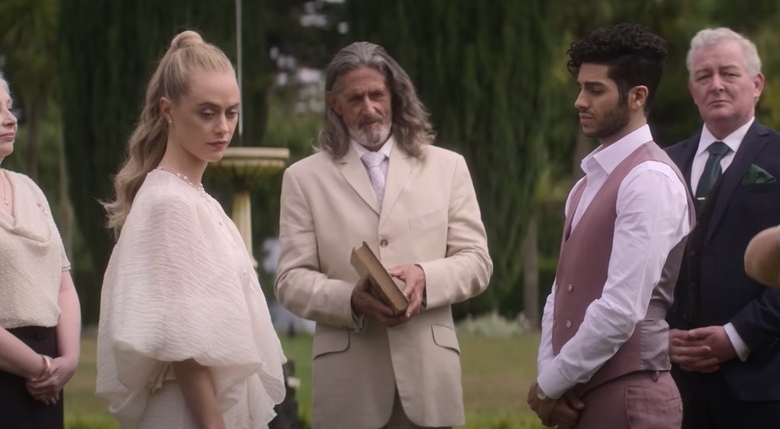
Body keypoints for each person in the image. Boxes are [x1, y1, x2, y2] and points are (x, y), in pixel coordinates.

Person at [275, 41, 492, 428]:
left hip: (430, 383)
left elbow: (477, 262)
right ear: (333, 103)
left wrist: (424, 277)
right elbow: (290, 280)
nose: (369, 108)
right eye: (355, 98)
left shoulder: (448, 168)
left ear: (395, 95)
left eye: (377, 95)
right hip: (348, 391)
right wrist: (350, 299)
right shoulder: (302, 179)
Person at [96, 31, 286, 429]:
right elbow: (183, 344)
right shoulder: (171, 203)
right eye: (207, 113)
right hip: (189, 412)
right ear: (168, 109)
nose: (223, 127)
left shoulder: (197, 199)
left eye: (232, 112)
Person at [527, 23, 693, 429]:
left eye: (595, 90)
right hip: (581, 396)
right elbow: (559, 292)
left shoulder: (649, 179)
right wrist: (552, 378)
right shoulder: (587, 183)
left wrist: (550, 385)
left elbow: (621, 309)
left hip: (631, 397)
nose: (579, 101)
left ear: (638, 96)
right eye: (580, 88)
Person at [666, 27, 780, 428]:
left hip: (762, 385)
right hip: (672, 385)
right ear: (691, 90)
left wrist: (738, 336)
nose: (716, 85)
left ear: (757, 84)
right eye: (704, 76)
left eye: (729, 73)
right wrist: (659, 336)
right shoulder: (662, 164)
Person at [0, 73, 82, 428]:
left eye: (9, 107)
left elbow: (63, 284)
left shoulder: (30, 190)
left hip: (48, 380)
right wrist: (40, 368)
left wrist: (69, 360)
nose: (10, 119)